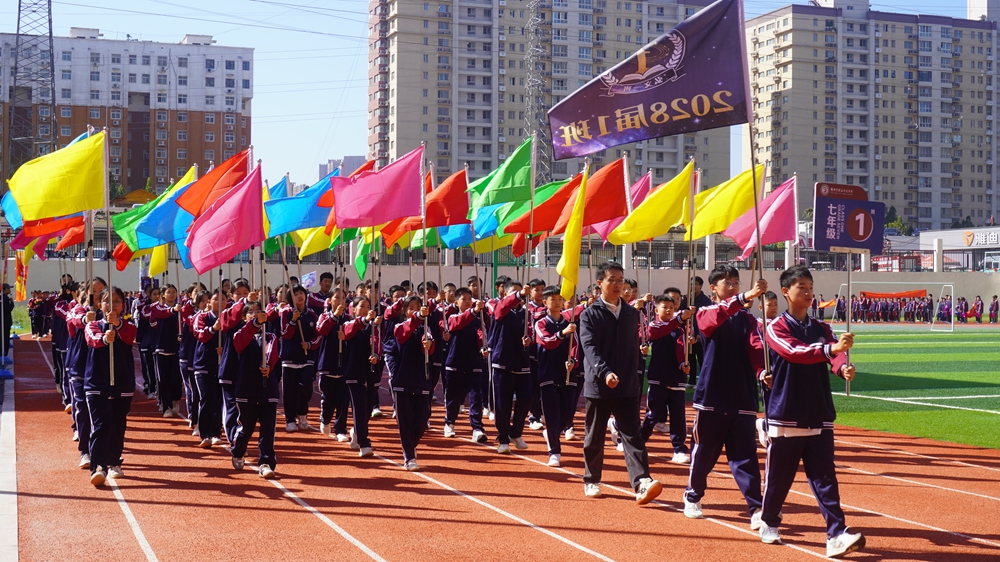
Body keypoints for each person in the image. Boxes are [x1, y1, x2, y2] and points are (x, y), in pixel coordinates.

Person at [759, 265, 865, 558]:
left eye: (810, 287)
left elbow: (833, 357)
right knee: (780, 477)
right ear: (786, 292)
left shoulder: (822, 328)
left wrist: (843, 366)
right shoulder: (776, 327)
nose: (807, 293)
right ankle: (768, 521)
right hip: (786, 410)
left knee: (825, 477)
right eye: (801, 287)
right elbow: (794, 352)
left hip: (819, 410)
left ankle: (836, 534)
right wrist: (831, 351)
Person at [683, 264, 767, 529]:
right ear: (713, 289)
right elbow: (711, 322)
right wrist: (742, 299)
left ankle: (756, 507)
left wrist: (762, 370)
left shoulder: (749, 319)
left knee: (745, 456)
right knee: (705, 451)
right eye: (727, 283)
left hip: (742, 396)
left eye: (736, 283)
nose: (732, 287)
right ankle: (693, 496)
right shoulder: (705, 312)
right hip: (712, 396)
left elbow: (756, 346)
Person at [579, 262, 662, 505]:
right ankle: (591, 479)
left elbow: (629, 348)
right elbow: (590, 349)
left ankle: (642, 482)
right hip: (599, 385)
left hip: (626, 386)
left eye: (620, 280)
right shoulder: (589, 314)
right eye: (612, 280)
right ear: (599, 284)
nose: (617, 285)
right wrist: (605, 373)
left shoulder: (630, 313)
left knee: (632, 436)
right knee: (594, 435)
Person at [83, 286, 135, 487]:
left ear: (123, 305)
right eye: (107, 301)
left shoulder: (128, 325)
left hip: (122, 381)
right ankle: (98, 466)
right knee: (102, 424)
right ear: (99, 304)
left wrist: (118, 325)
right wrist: (105, 338)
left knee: (118, 424)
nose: (112, 305)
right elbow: (92, 339)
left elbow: (131, 336)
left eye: (117, 301)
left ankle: (114, 462)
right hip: (97, 381)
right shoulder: (93, 324)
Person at [639, 294, 693, 464]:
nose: (669, 310)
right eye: (665, 307)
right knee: (654, 413)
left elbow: (681, 347)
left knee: (678, 414)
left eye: (672, 307)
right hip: (658, 376)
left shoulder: (679, 328)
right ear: (656, 310)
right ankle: (639, 441)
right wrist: (679, 319)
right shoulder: (655, 325)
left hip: (676, 377)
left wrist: (683, 364)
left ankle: (679, 448)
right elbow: (657, 332)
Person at [230, 303, 281, 479]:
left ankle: (266, 462)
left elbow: (271, 352)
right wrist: (253, 325)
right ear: (244, 318)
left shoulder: (271, 335)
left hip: (268, 389)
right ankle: (238, 450)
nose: (255, 314)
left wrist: (266, 366)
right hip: (246, 388)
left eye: (258, 311)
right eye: (250, 312)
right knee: (247, 427)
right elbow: (239, 343)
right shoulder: (240, 334)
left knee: (268, 430)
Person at [533, 285, 581, 467]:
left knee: (568, 415)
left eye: (560, 299)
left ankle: (551, 433)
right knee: (552, 415)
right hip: (548, 374)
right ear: (545, 302)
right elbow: (546, 342)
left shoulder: (569, 323)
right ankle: (554, 451)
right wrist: (562, 334)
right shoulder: (541, 323)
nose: (558, 303)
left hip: (568, 373)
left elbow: (575, 346)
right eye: (553, 299)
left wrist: (573, 361)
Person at [390, 297, 434, 471]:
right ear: (405, 311)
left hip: (422, 380)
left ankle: (411, 444)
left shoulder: (426, 328)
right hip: (403, 380)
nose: (415, 311)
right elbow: (403, 335)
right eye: (411, 308)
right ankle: (408, 455)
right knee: (405, 421)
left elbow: (430, 345)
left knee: (422, 421)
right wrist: (417, 317)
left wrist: (429, 345)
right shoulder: (399, 327)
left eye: (418, 308)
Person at [490, 280, 533, 454]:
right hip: (502, 361)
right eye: (514, 292)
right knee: (502, 403)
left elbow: (530, 330)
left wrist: (529, 339)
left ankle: (515, 432)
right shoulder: (499, 307)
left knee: (526, 400)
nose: (519, 295)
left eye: (520, 291)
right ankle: (502, 438)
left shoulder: (525, 312)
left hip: (522, 362)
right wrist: (519, 295)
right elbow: (501, 309)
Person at [441, 287, 488, 443]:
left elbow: (481, 333)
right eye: (464, 299)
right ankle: (449, 422)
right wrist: (473, 311)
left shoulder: (477, 317)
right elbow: (457, 324)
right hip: (455, 363)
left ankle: (477, 428)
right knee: (454, 398)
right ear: (456, 302)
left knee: (476, 396)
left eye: (470, 299)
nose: (468, 301)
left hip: (474, 363)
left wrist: (483, 346)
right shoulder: (452, 317)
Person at [279, 285, 319, 432]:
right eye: (295, 294)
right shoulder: (286, 313)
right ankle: (290, 419)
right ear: (291, 298)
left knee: (307, 385)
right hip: (289, 358)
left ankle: (302, 413)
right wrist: (293, 321)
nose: (299, 296)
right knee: (289, 391)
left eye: (301, 292)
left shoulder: (312, 315)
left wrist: (309, 344)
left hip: (307, 358)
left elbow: (317, 335)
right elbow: (285, 334)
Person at [315, 289, 350, 441]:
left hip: (344, 365)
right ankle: (325, 418)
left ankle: (340, 429)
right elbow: (321, 330)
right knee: (328, 398)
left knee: (343, 400)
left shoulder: (349, 318)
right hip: (327, 364)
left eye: (343, 297)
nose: (340, 300)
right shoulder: (324, 316)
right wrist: (334, 315)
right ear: (330, 301)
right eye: (337, 297)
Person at [193, 290, 225, 448]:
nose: (219, 302)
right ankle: (204, 433)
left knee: (219, 399)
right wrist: (213, 329)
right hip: (203, 364)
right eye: (216, 299)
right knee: (206, 397)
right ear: (210, 302)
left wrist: (224, 349)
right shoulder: (202, 317)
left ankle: (216, 432)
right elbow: (199, 334)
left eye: (223, 299)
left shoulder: (229, 318)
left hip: (221, 365)